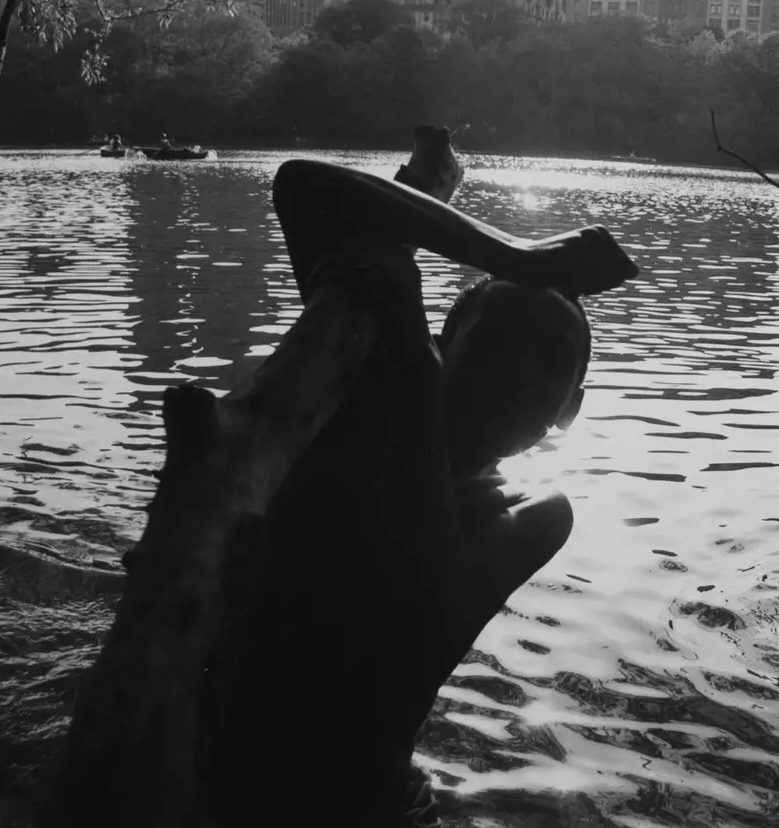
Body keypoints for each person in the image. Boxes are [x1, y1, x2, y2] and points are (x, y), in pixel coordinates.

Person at [201, 154, 635, 826]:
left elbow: (425, 598)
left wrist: (413, 353)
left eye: (550, 361)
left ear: (570, 411)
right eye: (498, 340)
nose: (521, 372)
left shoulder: (533, 514)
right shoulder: (355, 396)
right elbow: (302, 185)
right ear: (444, 345)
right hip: (208, 766)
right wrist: (516, 255)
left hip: (366, 806)